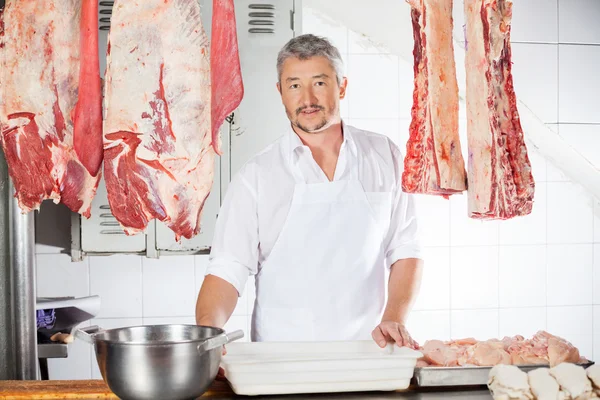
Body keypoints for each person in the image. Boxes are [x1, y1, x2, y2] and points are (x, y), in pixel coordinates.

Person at [195, 33, 424, 349]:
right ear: (280, 92)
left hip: (369, 354)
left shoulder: (383, 155)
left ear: (341, 86)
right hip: (281, 362)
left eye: (319, 83)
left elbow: (405, 249)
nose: (307, 98)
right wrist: (210, 330)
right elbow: (227, 268)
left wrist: (394, 318)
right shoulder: (257, 176)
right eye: (294, 85)